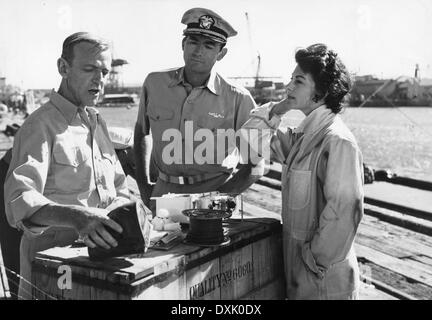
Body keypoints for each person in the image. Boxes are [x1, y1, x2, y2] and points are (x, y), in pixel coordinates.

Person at [4, 32, 130, 299]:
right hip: (52, 271)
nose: (100, 79)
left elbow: (119, 186)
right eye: (89, 69)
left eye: (105, 72)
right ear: (63, 68)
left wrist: (130, 213)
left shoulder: (97, 123)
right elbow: (18, 200)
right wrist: (76, 217)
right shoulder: (39, 126)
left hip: (98, 267)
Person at [241, 44, 364, 299]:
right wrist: (277, 108)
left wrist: (313, 260)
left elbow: (345, 211)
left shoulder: (336, 140)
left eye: (298, 81)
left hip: (324, 281)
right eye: (290, 79)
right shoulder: (303, 137)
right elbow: (249, 139)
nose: (288, 87)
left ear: (321, 90)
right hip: (302, 276)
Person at [134, 8, 263, 208]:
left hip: (213, 194)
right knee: (159, 240)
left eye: (209, 45)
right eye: (193, 41)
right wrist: (143, 186)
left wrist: (218, 200)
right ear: (183, 44)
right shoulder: (154, 83)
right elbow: (142, 131)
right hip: (162, 194)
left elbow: (256, 166)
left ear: (221, 54)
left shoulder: (238, 98)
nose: (198, 51)